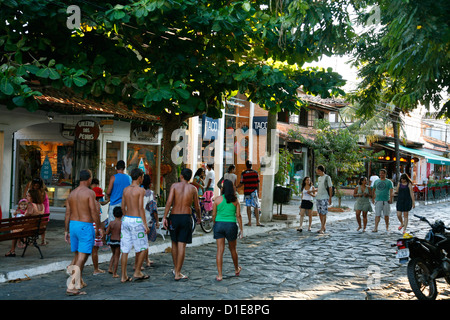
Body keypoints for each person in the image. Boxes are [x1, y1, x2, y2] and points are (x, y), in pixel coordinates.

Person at [64, 169, 104, 296]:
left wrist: (66, 230)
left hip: (73, 225)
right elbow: (94, 211)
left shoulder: (72, 193)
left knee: (77, 255)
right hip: (85, 225)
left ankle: (79, 281)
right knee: (83, 256)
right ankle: (72, 285)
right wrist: (99, 228)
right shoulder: (89, 193)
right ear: (89, 179)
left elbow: (67, 213)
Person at [163, 168, 201, 281]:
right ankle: (178, 272)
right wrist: (199, 217)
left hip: (174, 216)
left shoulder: (174, 186)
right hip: (185, 217)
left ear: (181, 176)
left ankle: (176, 269)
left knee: (174, 243)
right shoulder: (193, 189)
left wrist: (164, 217)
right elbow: (197, 206)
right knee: (182, 245)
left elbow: (169, 202)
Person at [120, 168, 149, 283]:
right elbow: (141, 208)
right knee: (142, 247)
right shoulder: (140, 190)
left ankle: (123, 276)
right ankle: (137, 271)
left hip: (126, 219)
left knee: (125, 249)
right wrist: (145, 224)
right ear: (139, 177)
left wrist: (126, 216)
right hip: (137, 220)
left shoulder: (125, 190)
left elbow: (123, 207)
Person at [212, 179, 243, 281]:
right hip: (231, 225)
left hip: (219, 225)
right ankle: (236, 269)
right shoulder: (235, 201)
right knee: (233, 249)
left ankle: (220, 275)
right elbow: (238, 216)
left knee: (219, 250)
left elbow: (213, 215)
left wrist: (215, 224)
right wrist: (241, 230)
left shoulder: (217, 200)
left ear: (223, 188)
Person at [238, 160, 263, 227]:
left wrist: (236, 187)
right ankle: (258, 222)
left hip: (247, 192)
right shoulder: (255, 173)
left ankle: (249, 222)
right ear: (251, 165)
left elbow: (241, 183)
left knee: (248, 207)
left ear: (246, 165)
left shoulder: (244, 173)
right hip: (254, 192)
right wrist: (258, 191)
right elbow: (258, 183)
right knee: (256, 207)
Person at [91, 187, 106, 275]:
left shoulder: (88, 204)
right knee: (95, 250)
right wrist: (99, 229)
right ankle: (96, 269)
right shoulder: (97, 204)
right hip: (95, 226)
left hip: (88, 226)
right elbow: (98, 218)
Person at [315, 165, 332, 234]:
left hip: (325, 197)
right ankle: (323, 226)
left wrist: (330, 197)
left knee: (324, 213)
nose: (316, 171)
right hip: (318, 197)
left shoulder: (327, 177)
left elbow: (330, 187)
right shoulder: (319, 178)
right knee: (319, 213)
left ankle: (322, 227)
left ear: (319, 170)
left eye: (317, 170)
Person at [106, 206, 123, 278]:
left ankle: (110, 268)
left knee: (113, 255)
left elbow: (107, 232)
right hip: (118, 241)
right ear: (122, 215)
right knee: (117, 257)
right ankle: (115, 273)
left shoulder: (111, 223)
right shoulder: (121, 223)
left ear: (113, 214)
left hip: (112, 241)